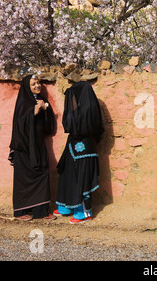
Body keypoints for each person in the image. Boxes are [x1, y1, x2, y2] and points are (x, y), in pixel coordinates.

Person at [54, 81, 104, 224]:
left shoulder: (88, 110)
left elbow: (76, 126)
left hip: (84, 150)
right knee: (67, 174)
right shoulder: (79, 110)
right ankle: (65, 205)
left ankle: (83, 212)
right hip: (72, 147)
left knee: (80, 179)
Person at [9, 74, 56, 221]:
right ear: (27, 87)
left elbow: (48, 127)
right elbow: (19, 124)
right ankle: (20, 212)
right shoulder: (23, 102)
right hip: (23, 147)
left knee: (42, 173)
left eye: (38, 83)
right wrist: (34, 111)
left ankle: (40, 211)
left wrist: (45, 109)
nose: (37, 86)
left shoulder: (43, 101)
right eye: (33, 84)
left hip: (38, 145)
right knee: (23, 179)